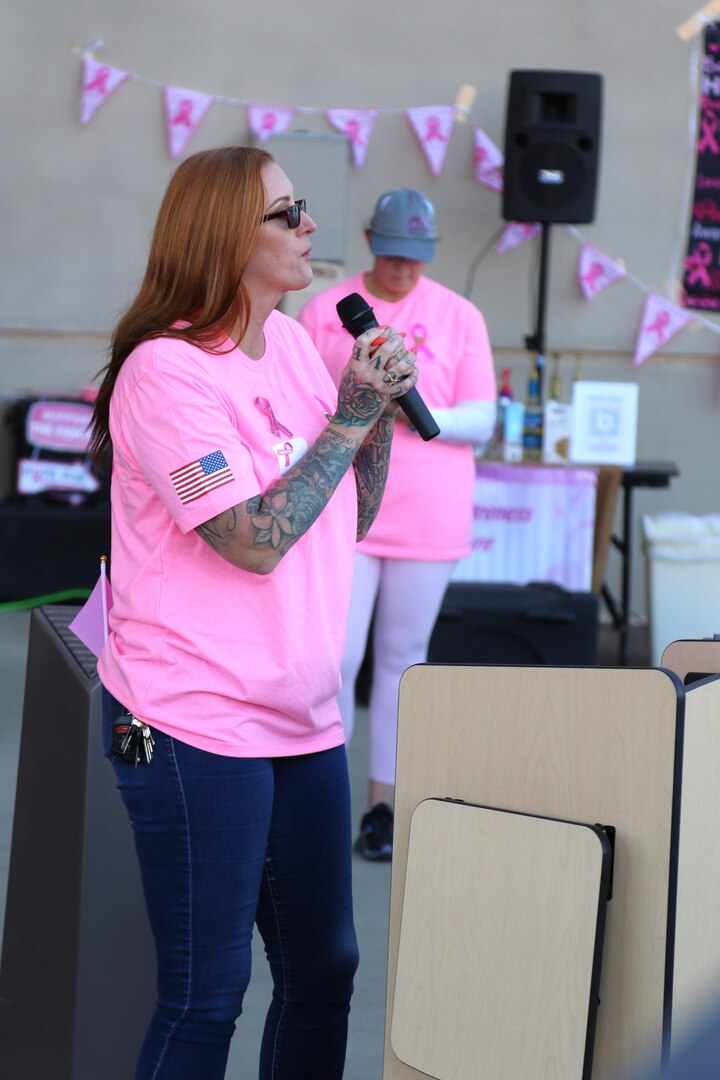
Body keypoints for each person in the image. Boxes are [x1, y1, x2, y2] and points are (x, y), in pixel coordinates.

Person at [88, 146, 419, 1079]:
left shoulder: (298, 355)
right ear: (228, 235)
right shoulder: (168, 372)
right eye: (289, 211)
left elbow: (346, 517)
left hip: (303, 718)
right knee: (208, 992)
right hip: (192, 718)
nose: (311, 225)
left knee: (326, 970)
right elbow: (251, 538)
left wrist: (375, 416)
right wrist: (350, 419)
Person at [299, 188, 497, 861]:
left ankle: (382, 806)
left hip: (429, 511)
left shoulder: (459, 314)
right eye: (390, 256)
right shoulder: (323, 309)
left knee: (400, 662)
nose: (401, 271)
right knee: (337, 656)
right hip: (343, 504)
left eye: (414, 260)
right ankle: (319, 797)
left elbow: (482, 417)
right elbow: (299, 399)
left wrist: (413, 407)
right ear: (369, 242)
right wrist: (358, 397)